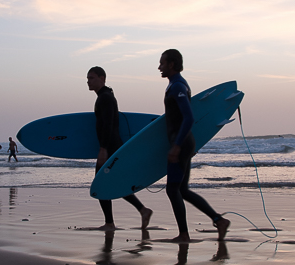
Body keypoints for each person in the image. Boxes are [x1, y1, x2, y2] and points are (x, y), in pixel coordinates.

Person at [158, 49, 230, 243]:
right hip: (183, 142)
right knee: (182, 190)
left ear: (172, 64)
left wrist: (177, 146)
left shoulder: (178, 86)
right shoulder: (175, 85)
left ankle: (183, 234)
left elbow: (189, 118)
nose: (159, 67)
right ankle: (219, 220)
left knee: (173, 190)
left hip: (180, 143)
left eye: (162, 63)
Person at [87, 66, 153, 231]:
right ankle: (143, 210)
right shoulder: (106, 96)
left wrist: (103, 149)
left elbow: (109, 124)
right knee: (114, 183)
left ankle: (110, 223)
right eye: (88, 78)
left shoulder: (105, 98)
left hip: (110, 147)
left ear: (102, 78)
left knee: (100, 185)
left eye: (92, 77)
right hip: (111, 146)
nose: (88, 81)